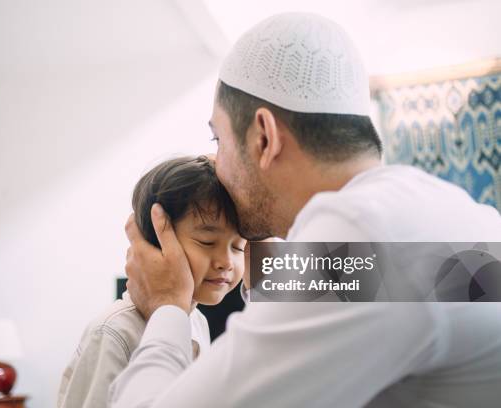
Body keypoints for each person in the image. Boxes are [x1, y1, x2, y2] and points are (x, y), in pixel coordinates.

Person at [109, 13, 501, 408]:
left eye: (219, 139)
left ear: (265, 136)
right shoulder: (432, 212)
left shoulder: (355, 230)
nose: (217, 164)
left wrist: (168, 306)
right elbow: (401, 283)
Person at [57, 156, 246, 408]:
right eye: (207, 242)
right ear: (157, 242)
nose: (226, 261)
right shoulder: (115, 332)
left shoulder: (197, 322)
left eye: (238, 246)